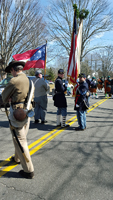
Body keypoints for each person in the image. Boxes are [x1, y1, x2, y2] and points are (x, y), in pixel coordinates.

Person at [2, 60, 34, 179]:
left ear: (13, 70)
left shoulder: (14, 81)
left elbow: (4, 97)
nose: (11, 73)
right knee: (20, 137)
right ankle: (17, 158)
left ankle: (29, 170)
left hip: (17, 114)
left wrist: (10, 98)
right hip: (27, 112)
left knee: (20, 140)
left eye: (11, 71)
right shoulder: (30, 80)